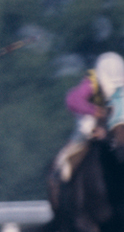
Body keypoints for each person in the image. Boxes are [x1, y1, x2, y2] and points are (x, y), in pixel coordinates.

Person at [52, 51, 124, 182]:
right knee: (86, 129)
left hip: (113, 118)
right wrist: (94, 111)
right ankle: (62, 164)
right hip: (91, 117)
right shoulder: (92, 81)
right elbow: (72, 100)